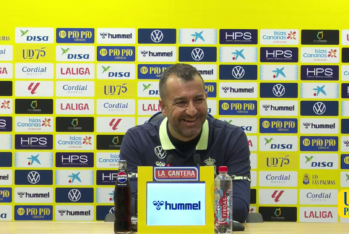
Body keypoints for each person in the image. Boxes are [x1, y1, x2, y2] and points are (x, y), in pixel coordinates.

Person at [119, 63, 251, 223]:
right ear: (163, 107)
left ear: (206, 98)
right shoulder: (137, 140)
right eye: (181, 102)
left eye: (198, 100)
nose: (192, 110)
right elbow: (129, 205)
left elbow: (237, 208)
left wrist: (165, 205)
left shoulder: (232, 138)